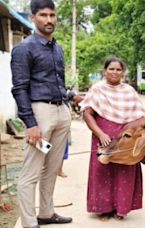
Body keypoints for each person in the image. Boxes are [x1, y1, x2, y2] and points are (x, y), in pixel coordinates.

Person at [10, 0, 77, 227]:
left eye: (52, 15)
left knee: (51, 168)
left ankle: (46, 213)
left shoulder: (57, 48)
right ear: (33, 18)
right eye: (43, 15)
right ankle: (30, 223)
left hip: (60, 113)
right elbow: (19, 88)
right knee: (31, 171)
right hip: (40, 115)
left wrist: (71, 96)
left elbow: (56, 83)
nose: (49, 20)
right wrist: (30, 124)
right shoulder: (24, 49)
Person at [80, 56, 145, 221]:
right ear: (104, 71)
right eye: (111, 69)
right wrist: (100, 134)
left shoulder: (129, 91)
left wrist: (128, 134)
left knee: (125, 170)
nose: (115, 72)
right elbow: (87, 113)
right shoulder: (97, 89)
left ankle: (121, 208)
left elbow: (140, 116)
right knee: (102, 170)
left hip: (125, 139)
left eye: (118, 69)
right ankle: (103, 209)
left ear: (122, 72)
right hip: (103, 137)